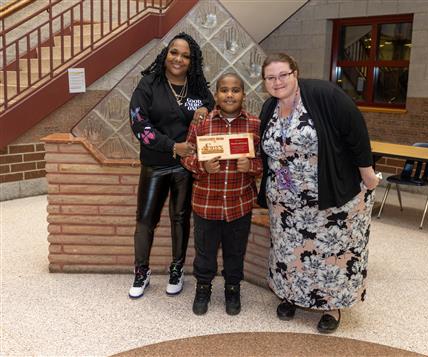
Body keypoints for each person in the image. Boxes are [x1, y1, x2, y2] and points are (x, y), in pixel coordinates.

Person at [258, 53, 380, 333]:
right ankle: (290, 296)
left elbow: (356, 132)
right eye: (270, 78)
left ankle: (331, 307)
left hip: (327, 194)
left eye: (283, 75)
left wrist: (367, 172)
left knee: (331, 253)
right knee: (288, 251)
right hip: (285, 202)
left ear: (295, 73)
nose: (277, 82)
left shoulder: (324, 95)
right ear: (264, 82)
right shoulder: (269, 108)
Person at [128, 32, 215, 299]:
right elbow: (139, 123)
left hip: (185, 167)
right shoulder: (149, 84)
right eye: (174, 52)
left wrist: (206, 112)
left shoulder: (198, 88)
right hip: (155, 164)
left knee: (180, 219)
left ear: (192, 61)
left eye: (186, 56)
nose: (179, 59)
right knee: (145, 220)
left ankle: (176, 268)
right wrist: (171, 146)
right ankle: (141, 272)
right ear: (166, 55)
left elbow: (214, 113)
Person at [182, 73, 262, 316]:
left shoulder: (255, 125)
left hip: (240, 204)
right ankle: (203, 287)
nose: (229, 94)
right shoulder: (201, 123)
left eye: (235, 90)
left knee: (235, 251)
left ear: (243, 96)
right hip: (207, 202)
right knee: (205, 252)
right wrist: (201, 166)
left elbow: (265, 161)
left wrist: (253, 167)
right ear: (216, 95)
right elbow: (186, 155)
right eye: (224, 90)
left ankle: (232, 288)